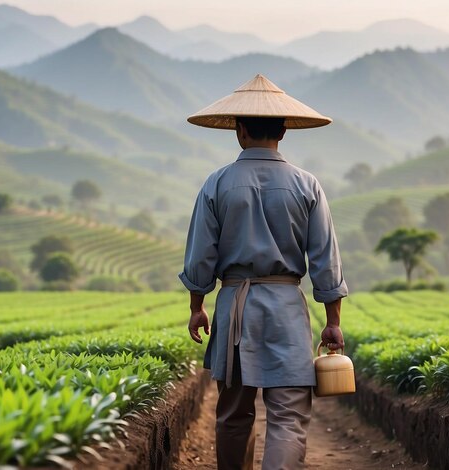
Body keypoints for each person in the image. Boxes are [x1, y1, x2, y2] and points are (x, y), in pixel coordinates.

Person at [179, 74, 348, 470]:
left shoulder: (217, 183)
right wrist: (333, 321)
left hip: (234, 307)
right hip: (287, 308)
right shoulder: (307, 185)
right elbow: (326, 259)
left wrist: (197, 306)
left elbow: (200, 256)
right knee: (288, 416)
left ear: (239, 130)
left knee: (234, 413)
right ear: (284, 131)